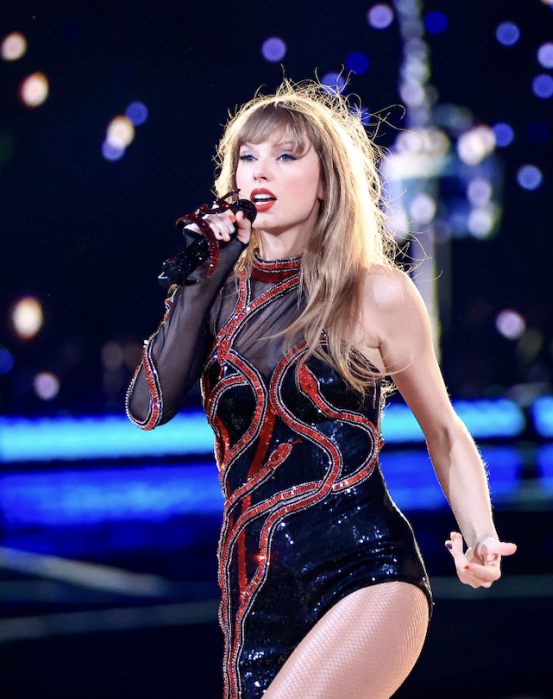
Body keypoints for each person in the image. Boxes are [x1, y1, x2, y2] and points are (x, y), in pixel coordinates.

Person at [127, 82, 516, 699]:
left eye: (286, 156)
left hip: (364, 570)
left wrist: (479, 535)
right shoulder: (214, 294)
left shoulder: (377, 294)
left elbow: (443, 428)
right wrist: (199, 282)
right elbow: (149, 408)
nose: (262, 171)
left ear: (327, 180)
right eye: (248, 157)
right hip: (252, 588)